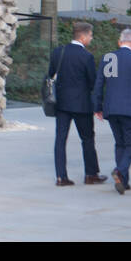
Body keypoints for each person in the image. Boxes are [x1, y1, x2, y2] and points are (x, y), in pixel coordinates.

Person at [92, 28, 131, 195]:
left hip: (111, 109)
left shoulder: (108, 58)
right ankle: (120, 171)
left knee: (119, 143)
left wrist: (97, 107)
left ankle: (123, 182)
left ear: (120, 42)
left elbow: (99, 84)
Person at [48, 21, 105, 186]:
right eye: (90, 36)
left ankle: (61, 176)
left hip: (62, 103)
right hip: (81, 104)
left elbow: (51, 73)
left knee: (60, 139)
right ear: (83, 36)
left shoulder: (59, 51)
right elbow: (92, 82)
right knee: (87, 139)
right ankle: (91, 174)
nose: (91, 39)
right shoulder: (86, 56)